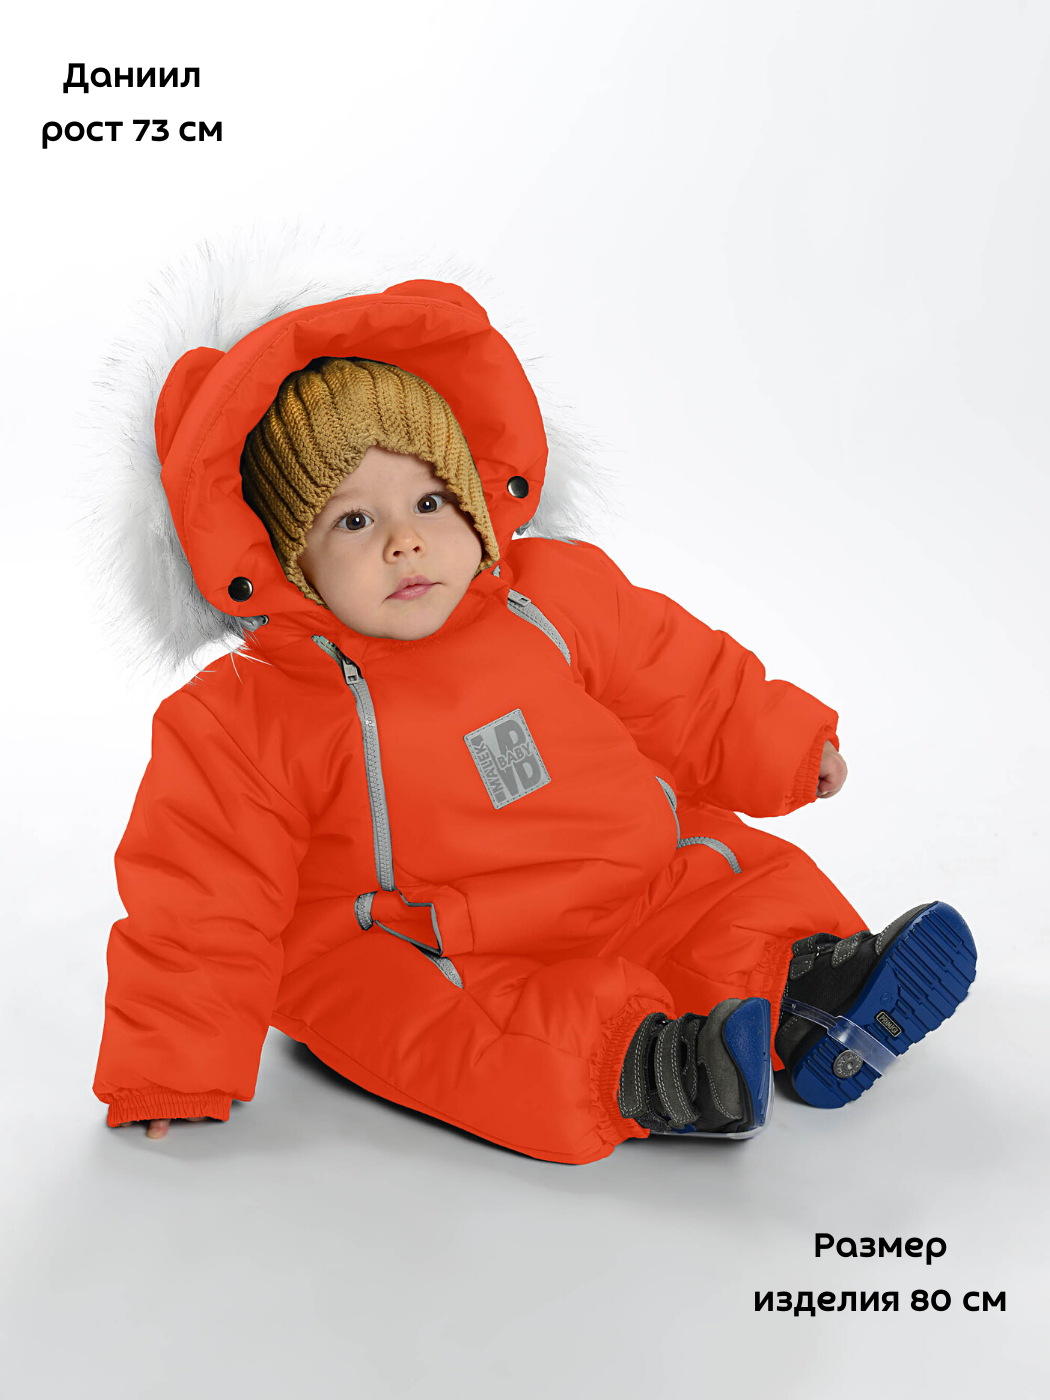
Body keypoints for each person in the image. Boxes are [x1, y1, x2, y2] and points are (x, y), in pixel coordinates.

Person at [92, 278, 977, 1163]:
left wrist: (778, 742)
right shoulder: (251, 714)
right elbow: (200, 897)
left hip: (625, 878)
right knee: (452, 1028)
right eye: (354, 520)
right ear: (285, 557)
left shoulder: (548, 596)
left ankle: (814, 989)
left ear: (473, 501)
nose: (405, 541)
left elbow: (676, 676)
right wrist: (172, 1062)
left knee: (732, 875)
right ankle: (648, 1069)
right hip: (427, 942)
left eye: (429, 503)